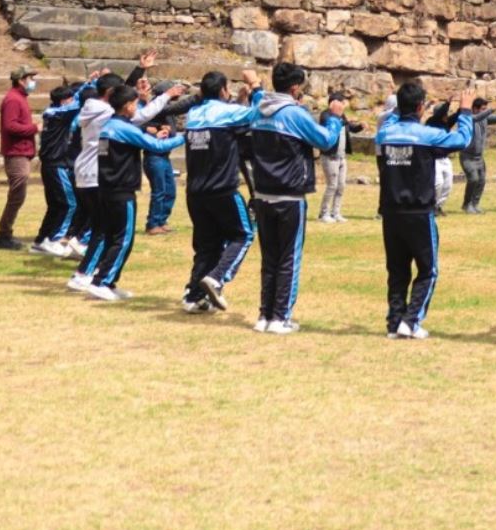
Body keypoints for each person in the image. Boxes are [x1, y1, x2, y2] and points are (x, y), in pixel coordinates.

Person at [245, 62, 344, 334]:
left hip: (263, 192)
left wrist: (253, 87)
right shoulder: (293, 114)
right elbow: (326, 141)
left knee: (270, 258)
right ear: (295, 87)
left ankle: (264, 315)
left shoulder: (258, 110)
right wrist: (335, 118)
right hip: (289, 194)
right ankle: (280, 317)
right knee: (289, 257)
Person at [376, 83, 474, 339]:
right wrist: (465, 112)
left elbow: (387, 122)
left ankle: (394, 321)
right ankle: (411, 321)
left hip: (391, 213)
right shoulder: (427, 135)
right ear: (420, 107)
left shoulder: (385, 133)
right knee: (428, 269)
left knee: (397, 271)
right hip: (418, 212)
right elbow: (462, 140)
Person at [84, 85, 185, 300]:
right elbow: (155, 146)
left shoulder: (108, 126)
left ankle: (106, 281)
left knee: (113, 237)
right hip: (121, 190)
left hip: (106, 188)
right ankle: (102, 282)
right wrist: (187, 137)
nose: (137, 107)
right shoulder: (124, 128)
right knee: (124, 239)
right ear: (128, 105)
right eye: (135, 103)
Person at [180, 69, 264, 314]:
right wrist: (256, 86)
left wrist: (237, 101)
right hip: (223, 190)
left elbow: (225, 126)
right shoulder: (227, 113)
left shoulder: (193, 114)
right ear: (222, 90)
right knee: (244, 235)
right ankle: (217, 279)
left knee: (207, 245)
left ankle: (193, 295)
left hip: (195, 192)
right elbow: (261, 113)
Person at [33, 78, 86, 256]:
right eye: (70, 99)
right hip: (56, 165)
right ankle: (54, 239)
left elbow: (77, 98)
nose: (73, 102)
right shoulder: (60, 114)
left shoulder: (52, 112)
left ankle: (41, 241)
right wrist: (92, 84)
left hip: (50, 165)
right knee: (69, 203)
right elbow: (80, 99)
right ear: (64, 101)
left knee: (55, 205)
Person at [0, 65, 40, 250]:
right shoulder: (13, 99)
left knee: (17, 195)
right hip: (16, 152)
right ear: (21, 80)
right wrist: (35, 128)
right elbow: (10, 126)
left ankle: (5, 233)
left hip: (21, 151)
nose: (34, 82)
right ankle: (3, 234)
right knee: (17, 195)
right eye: (31, 78)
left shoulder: (19, 98)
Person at [141, 82, 183, 234]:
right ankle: (152, 224)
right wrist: (156, 130)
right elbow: (143, 126)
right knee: (159, 191)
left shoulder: (168, 108)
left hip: (165, 157)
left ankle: (161, 220)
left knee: (170, 191)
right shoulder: (155, 107)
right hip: (154, 156)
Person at [459, 98, 496, 214]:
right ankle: (466, 204)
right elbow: (477, 117)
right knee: (473, 179)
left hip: (479, 157)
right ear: (474, 108)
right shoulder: (468, 118)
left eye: (485, 109)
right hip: (467, 156)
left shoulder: (484, 119)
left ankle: (475, 204)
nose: (485, 111)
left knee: (481, 181)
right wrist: (492, 109)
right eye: (483, 109)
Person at [317, 93, 363, 223]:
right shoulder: (326, 115)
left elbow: (350, 127)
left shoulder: (341, 116)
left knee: (341, 185)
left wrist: (360, 126)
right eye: (342, 102)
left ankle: (335, 212)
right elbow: (329, 125)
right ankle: (323, 213)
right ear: (334, 103)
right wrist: (338, 116)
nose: (343, 105)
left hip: (342, 157)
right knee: (332, 185)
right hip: (329, 156)